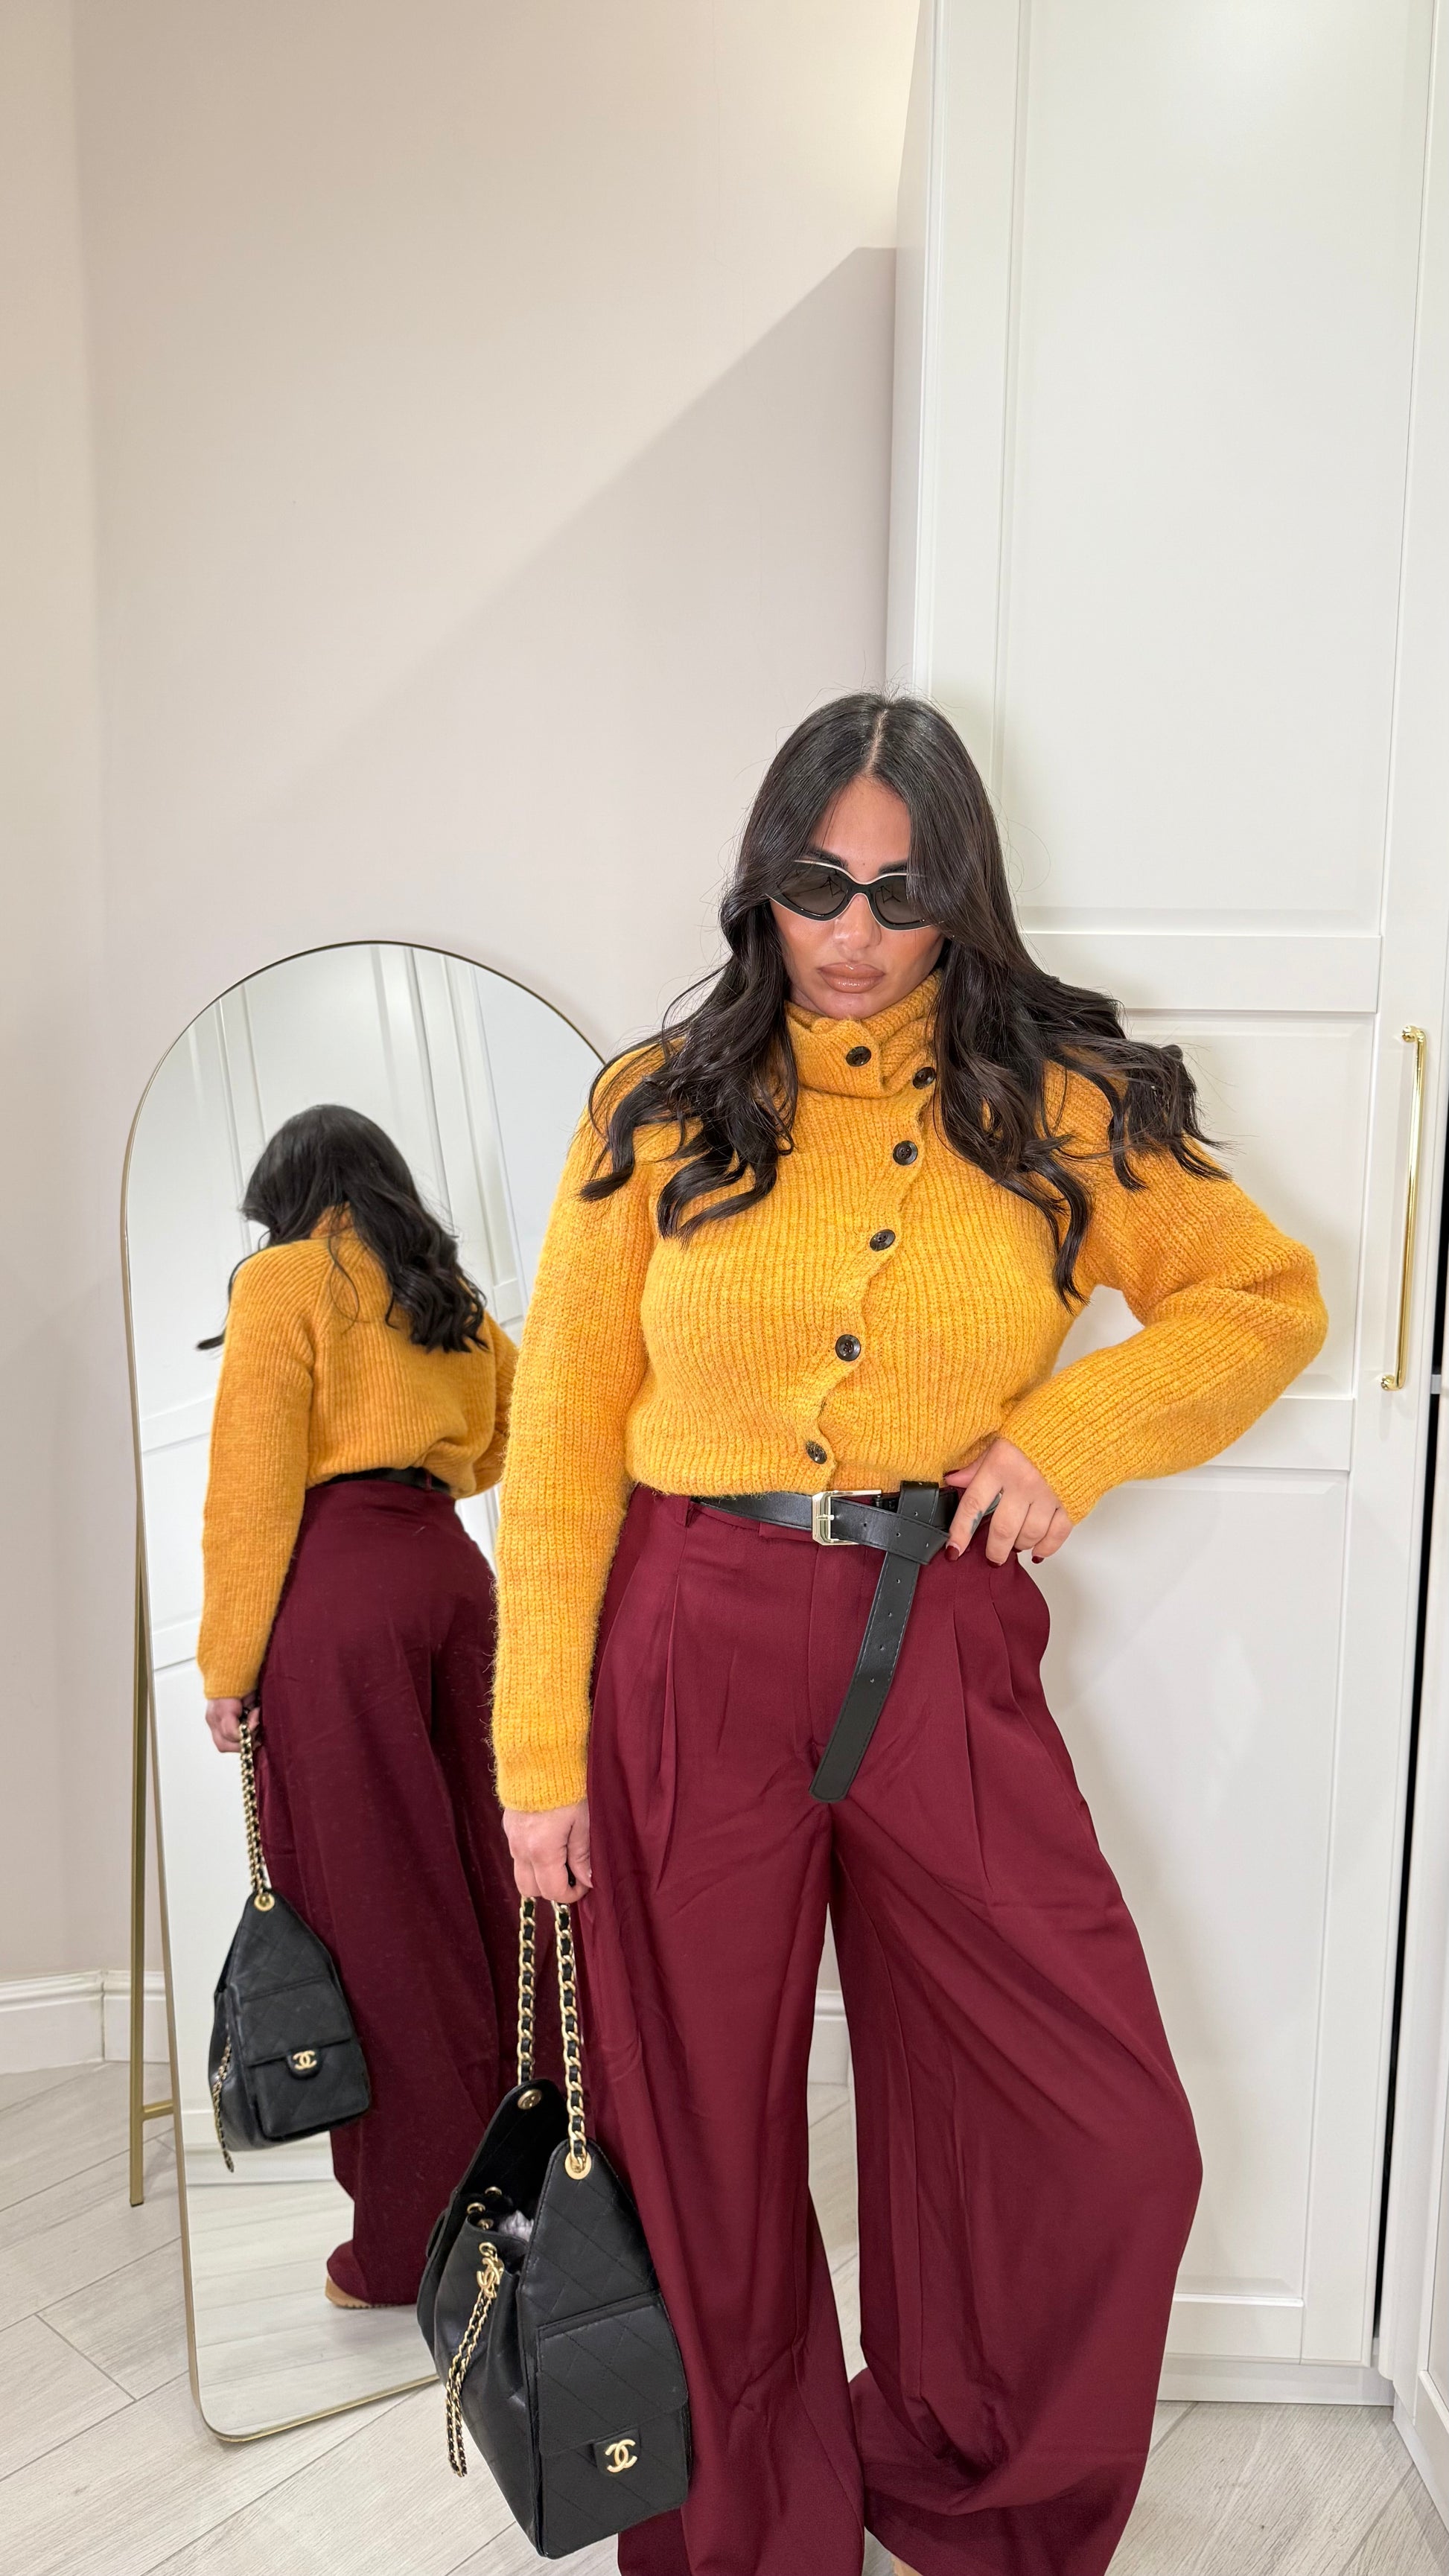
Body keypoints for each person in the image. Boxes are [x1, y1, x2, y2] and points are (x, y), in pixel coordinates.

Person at [488, 695, 1328, 2576]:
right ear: (761, 884)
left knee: (1102, 2130)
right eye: (817, 883)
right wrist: (536, 1752)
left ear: (960, 894)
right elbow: (557, 1447)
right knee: (696, 2141)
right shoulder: (652, 1107)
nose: (853, 931)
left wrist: (1069, 1436)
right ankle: (744, 2540)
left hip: (935, 1636)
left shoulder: (1056, 1104)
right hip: (684, 1641)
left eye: (899, 888)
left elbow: (1261, 1297)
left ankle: (961, 2477)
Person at [198, 1103, 527, 2311]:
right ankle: (531, 2200)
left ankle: (411, 2244)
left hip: (338, 1590)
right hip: (452, 1574)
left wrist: (226, 1664)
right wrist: (438, 1460)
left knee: (375, 1910)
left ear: (286, 1194)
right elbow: (509, 1432)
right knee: (494, 1887)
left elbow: (251, 1488)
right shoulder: (447, 1293)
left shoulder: (284, 1281)